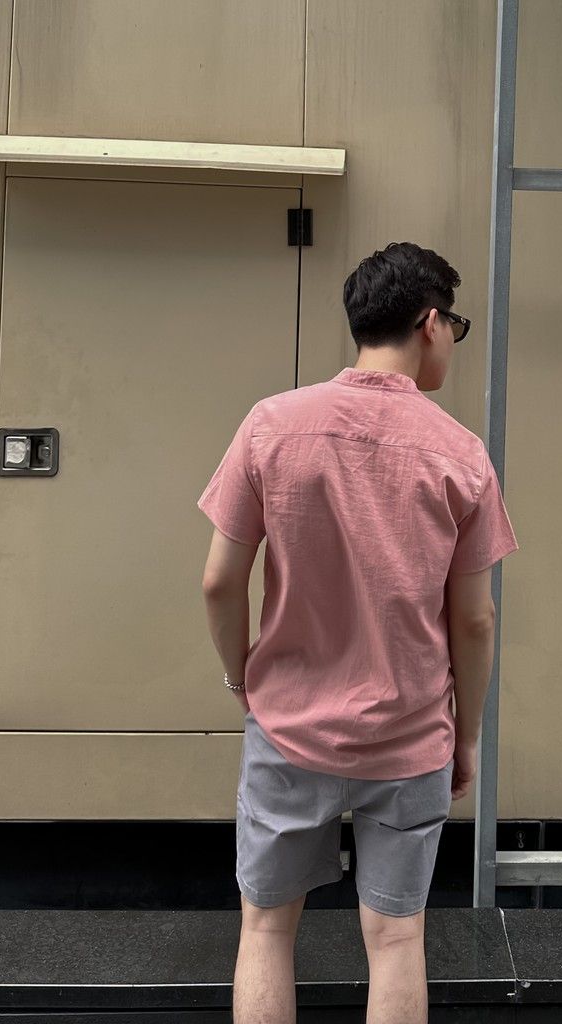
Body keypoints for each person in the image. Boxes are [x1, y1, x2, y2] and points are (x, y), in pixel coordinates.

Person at [197, 241, 520, 1024]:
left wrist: (243, 680)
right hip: (410, 735)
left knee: (266, 928)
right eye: (455, 327)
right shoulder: (461, 455)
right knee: (398, 938)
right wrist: (465, 736)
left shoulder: (272, 426)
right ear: (431, 322)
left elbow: (218, 581)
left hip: (288, 723)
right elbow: (474, 619)